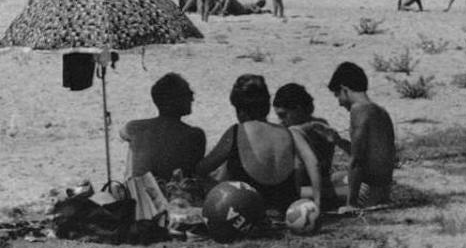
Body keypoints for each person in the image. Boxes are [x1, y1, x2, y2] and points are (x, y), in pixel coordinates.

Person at [195, 74, 324, 214]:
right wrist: (317, 201)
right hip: (284, 208)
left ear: (240, 110)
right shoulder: (290, 132)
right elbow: (313, 163)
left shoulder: (236, 132)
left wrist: (219, 189)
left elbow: (201, 170)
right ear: (267, 105)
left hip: (248, 211)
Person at [327, 62, 396, 208]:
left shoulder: (358, 110)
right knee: (334, 178)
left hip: (366, 192)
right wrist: (338, 141)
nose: (339, 103)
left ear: (344, 89)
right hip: (382, 189)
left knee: (307, 192)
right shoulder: (381, 112)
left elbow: (357, 161)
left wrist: (350, 204)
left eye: (337, 95)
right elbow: (372, 155)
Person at [119, 73, 207, 183]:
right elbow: (194, 172)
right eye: (188, 94)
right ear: (174, 100)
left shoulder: (134, 127)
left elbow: (122, 133)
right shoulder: (194, 135)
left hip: (136, 192)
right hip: (171, 192)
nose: (192, 98)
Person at [272, 83, 338, 206]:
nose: (281, 120)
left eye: (283, 115)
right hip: (320, 184)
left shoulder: (293, 131)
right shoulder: (321, 124)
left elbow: (313, 163)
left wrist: (318, 202)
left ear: (297, 109)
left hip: (302, 189)